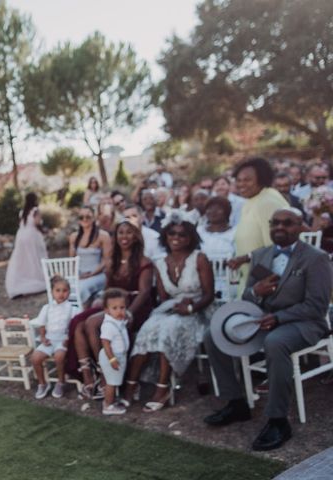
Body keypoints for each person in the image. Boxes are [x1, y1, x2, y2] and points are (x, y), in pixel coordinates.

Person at [203, 208, 332, 451]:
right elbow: (247, 298)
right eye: (275, 223)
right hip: (264, 320)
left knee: (275, 342)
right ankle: (236, 402)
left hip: (304, 323)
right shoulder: (261, 255)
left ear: (300, 227)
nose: (280, 228)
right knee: (213, 335)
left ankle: (278, 420)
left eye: (288, 223)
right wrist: (256, 291)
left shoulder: (316, 258)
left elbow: (317, 306)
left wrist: (279, 317)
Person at [124, 217, 214, 412]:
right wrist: (173, 307)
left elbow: (209, 295)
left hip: (198, 309)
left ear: (190, 238)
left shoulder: (199, 258)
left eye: (182, 234)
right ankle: (132, 383)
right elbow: (163, 298)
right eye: (172, 233)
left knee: (169, 329)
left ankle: (163, 388)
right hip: (171, 308)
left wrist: (190, 308)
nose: (176, 238)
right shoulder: (160, 263)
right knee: (147, 329)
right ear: (165, 236)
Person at [69, 221, 154, 397]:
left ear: (136, 236)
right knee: (78, 323)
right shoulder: (112, 261)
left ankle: (104, 372)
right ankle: (88, 377)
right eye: (120, 233)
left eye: (129, 233)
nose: (124, 236)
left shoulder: (143, 261)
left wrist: (129, 312)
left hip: (134, 307)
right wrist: (103, 302)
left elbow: (145, 292)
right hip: (112, 305)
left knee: (92, 323)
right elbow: (108, 289)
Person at [228, 158, 289, 295]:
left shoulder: (267, 202)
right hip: (252, 278)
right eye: (238, 180)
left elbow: (277, 248)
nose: (241, 184)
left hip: (266, 282)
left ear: (262, 179)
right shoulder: (251, 200)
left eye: (247, 180)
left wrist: (245, 258)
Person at [31, 276, 74, 400]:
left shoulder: (72, 308)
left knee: (59, 356)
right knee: (35, 358)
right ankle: (43, 383)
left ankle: (61, 382)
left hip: (63, 340)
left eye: (64, 290)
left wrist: (68, 340)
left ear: (69, 292)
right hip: (49, 339)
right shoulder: (47, 308)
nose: (61, 294)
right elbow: (42, 324)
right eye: (58, 290)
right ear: (52, 292)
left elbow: (74, 326)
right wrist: (43, 337)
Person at [5, 192, 48, 299]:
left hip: (21, 235)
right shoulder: (35, 210)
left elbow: (22, 224)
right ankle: (38, 281)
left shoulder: (22, 212)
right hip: (32, 235)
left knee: (23, 259)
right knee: (36, 258)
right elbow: (37, 223)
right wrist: (44, 230)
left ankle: (20, 283)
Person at [68, 206, 112, 305]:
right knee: (63, 286)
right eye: (81, 217)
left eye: (88, 217)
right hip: (80, 275)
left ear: (94, 218)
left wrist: (92, 274)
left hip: (98, 274)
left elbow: (106, 260)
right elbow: (72, 260)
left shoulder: (103, 236)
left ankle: (81, 312)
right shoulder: (74, 237)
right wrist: (77, 275)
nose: (84, 219)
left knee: (82, 287)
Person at [98, 289, 131, 415]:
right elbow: (105, 343)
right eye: (115, 308)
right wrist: (112, 359)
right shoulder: (108, 325)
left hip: (118, 356)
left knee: (113, 380)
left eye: (122, 308)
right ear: (107, 310)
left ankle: (110, 400)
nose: (119, 311)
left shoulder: (117, 321)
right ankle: (108, 406)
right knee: (112, 382)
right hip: (111, 357)